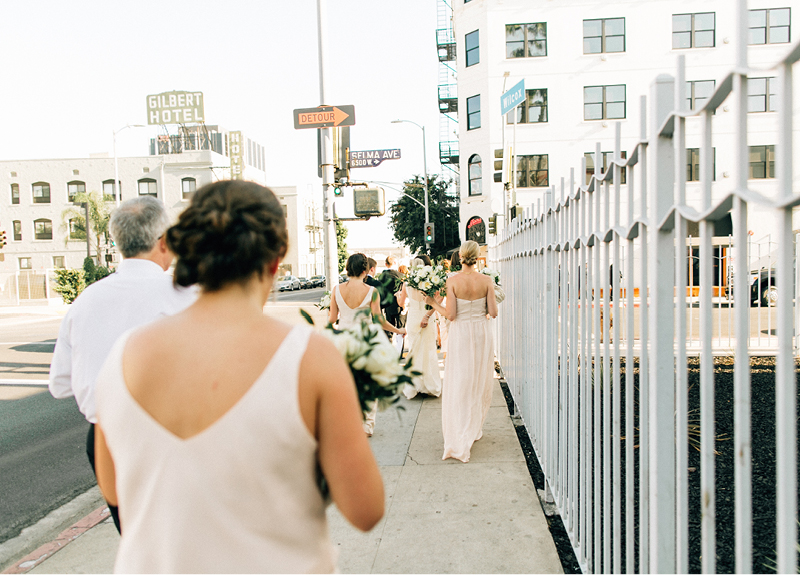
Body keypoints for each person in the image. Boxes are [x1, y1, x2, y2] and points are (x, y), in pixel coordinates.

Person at [93, 181, 384, 573]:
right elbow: (365, 509)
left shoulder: (123, 355)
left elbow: (113, 489)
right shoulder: (310, 357)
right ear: (276, 258)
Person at [49, 196, 197, 534]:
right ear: (165, 241)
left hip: (104, 439)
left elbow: (59, 384)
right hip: (169, 435)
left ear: (117, 242)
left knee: (138, 545)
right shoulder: (185, 293)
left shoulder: (85, 301)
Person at [426, 240, 498, 463]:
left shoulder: (452, 280)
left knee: (459, 381)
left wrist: (431, 303)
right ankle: (473, 426)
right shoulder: (487, 280)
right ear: (477, 257)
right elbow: (493, 312)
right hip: (481, 332)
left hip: (461, 334)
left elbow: (451, 315)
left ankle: (461, 430)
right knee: (478, 380)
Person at [330, 253, 406, 436]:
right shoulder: (371, 292)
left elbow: (332, 319)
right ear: (365, 270)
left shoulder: (336, 290)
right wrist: (398, 331)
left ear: (348, 268)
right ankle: (367, 425)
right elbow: (379, 320)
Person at [396, 258, 442, 399]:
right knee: (428, 349)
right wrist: (428, 315)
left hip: (413, 317)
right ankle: (430, 385)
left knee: (414, 350)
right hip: (427, 316)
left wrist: (398, 296)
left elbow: (401, 303)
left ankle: (415, 385)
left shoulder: (407, 283)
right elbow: (437, 299)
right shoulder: (429, 283)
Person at [376, 255, 405, 338]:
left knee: (389, 329)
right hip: (399, 304)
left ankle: (389, 346)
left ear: (385, 264)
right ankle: (399, 349)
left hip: (387, 305)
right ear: (395, 263)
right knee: (401, 329)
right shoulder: (401, 276)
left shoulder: (381, 277)